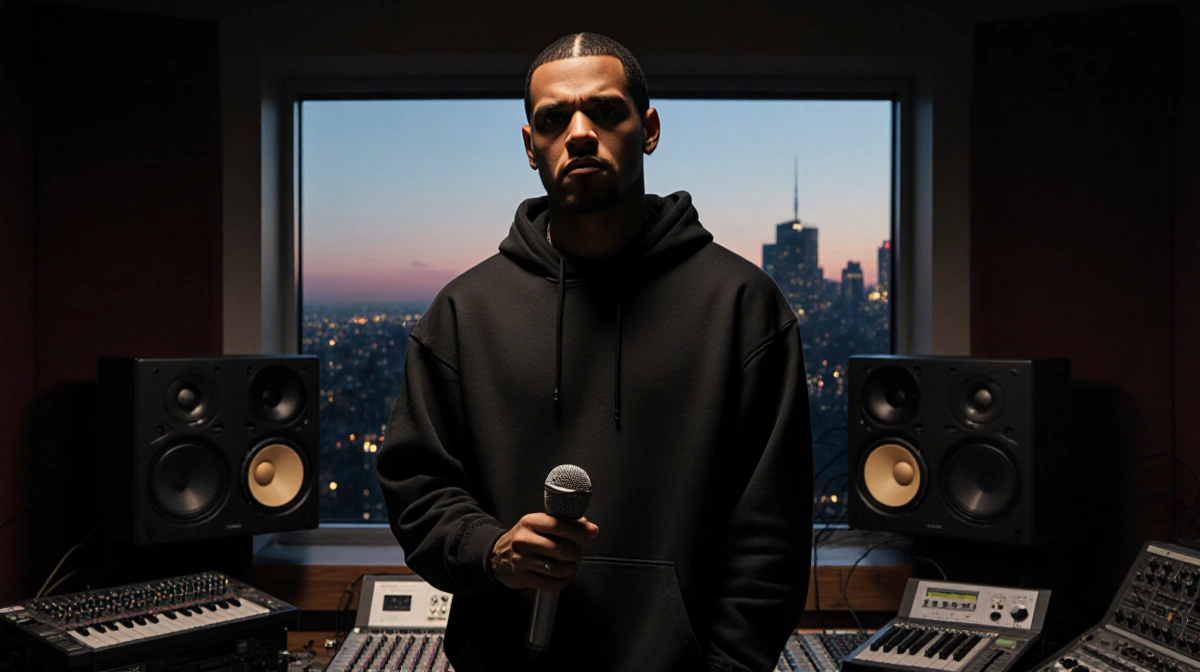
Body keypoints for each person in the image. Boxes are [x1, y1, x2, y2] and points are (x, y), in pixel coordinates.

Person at [377, 32, 813, 672]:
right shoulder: (464, 313)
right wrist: (492, 549)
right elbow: (418, 489)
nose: (580, 133)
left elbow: (769, 536)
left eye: (606, 111)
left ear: (650, 128)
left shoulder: (743, 306)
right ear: (531, 147)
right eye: (555, 119)